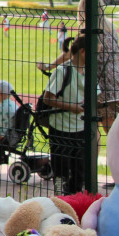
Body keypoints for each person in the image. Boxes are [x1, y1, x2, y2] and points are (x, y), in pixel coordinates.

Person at [38, 0, 119, 133]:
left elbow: (72, 53)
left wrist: (49, 66)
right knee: (107, 120)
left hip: (104, 80)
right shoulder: (110, 27)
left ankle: (108, 146)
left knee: (100, 122)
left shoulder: (90, 31)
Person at [41, 35, 93, 195]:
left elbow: (96, 95)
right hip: (61, 129)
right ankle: (60, 200)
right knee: (61, 172)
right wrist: (70, 107)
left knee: (79, 173)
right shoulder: (62, 71)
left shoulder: (89, 72)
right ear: (83, 51)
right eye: (94, 53)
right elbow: (48, 98)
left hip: (80, 128)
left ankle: (75, 201)